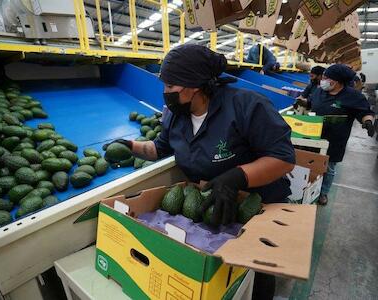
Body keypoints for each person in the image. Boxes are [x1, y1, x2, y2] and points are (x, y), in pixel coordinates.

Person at [109, 44, 295, 300]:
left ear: (193, 86)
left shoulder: (246, 105)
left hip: (258, 205)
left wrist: (236, 177)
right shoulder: (176, 115)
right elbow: (159, 148)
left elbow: (283, 158)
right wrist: (130, 146)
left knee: (257, 275)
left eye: (170, 87)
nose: (165, 93)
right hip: (212, 207)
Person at [307, 64, 375, 205]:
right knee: (311, 162)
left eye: (326, 78)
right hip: (314, 135)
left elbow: (365, 112)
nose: (323, 80)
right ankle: (309, 189)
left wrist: (368, 122)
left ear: (336, 81)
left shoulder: (352, 96)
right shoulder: (320, 92)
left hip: (335, 139)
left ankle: (323, 193)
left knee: (329, 167)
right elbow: (311, 103)